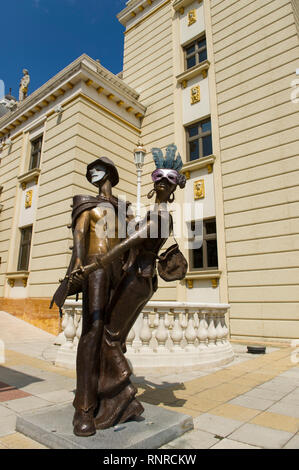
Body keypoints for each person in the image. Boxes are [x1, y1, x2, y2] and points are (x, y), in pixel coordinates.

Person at [77, 145, 187, 430]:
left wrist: (93, 265)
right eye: (158, 178)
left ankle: (123, 389)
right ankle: (115, 397)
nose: (161, 183)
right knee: (113, 335)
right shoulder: (154, 212)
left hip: (138, 278)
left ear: (174, 187)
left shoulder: (161, 216)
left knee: (109, 337)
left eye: (168, 180)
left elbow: (127, 243)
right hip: (141, 279)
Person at [51, 156, 132, 437]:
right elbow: (80, 233)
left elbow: (132, 239)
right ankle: (83, 406)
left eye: (97, 170)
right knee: (93, 329)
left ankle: (113, 393)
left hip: (119, 270)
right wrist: (76, 265)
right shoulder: (86, 203)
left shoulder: (123, 208)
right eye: (90, 171)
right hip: (95, 265)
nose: (92, 174)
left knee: (113, 332)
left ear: (109, 173)